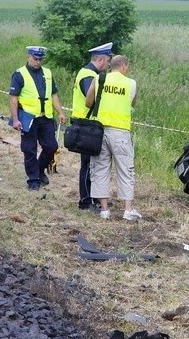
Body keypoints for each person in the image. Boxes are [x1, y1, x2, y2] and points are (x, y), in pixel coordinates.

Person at [85, 55, 142, 221]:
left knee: (101, 168)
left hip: (100, 130)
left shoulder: (99, 78)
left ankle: (104, 210)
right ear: (124, 66)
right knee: (125, 170)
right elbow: (133, 104)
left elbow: (89, 102)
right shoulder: (131, 83)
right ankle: (128, 209)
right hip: (121, 131)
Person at [9, 46, 66, 191]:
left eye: (41, 59)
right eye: (35, 58)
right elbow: (13, 98)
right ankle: (33, 179)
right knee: (29, 150)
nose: (38, 62)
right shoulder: (19, 74)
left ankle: (40, 170)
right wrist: (15, 119)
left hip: (45, 117)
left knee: (51, 147)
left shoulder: (47, 73)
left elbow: (54, 94)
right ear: (28, 57)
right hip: (28, 117)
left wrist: (60, 112)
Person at [72, 42, 113, 212]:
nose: (109, 64)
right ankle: (86, 201)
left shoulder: (90, 73)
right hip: (85, 125)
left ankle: (93, 198)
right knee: (88, 165)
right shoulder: (88, 75)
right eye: (108, 61)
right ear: (101, 59)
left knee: (92, 164)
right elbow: (93, 99)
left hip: (88, 124)